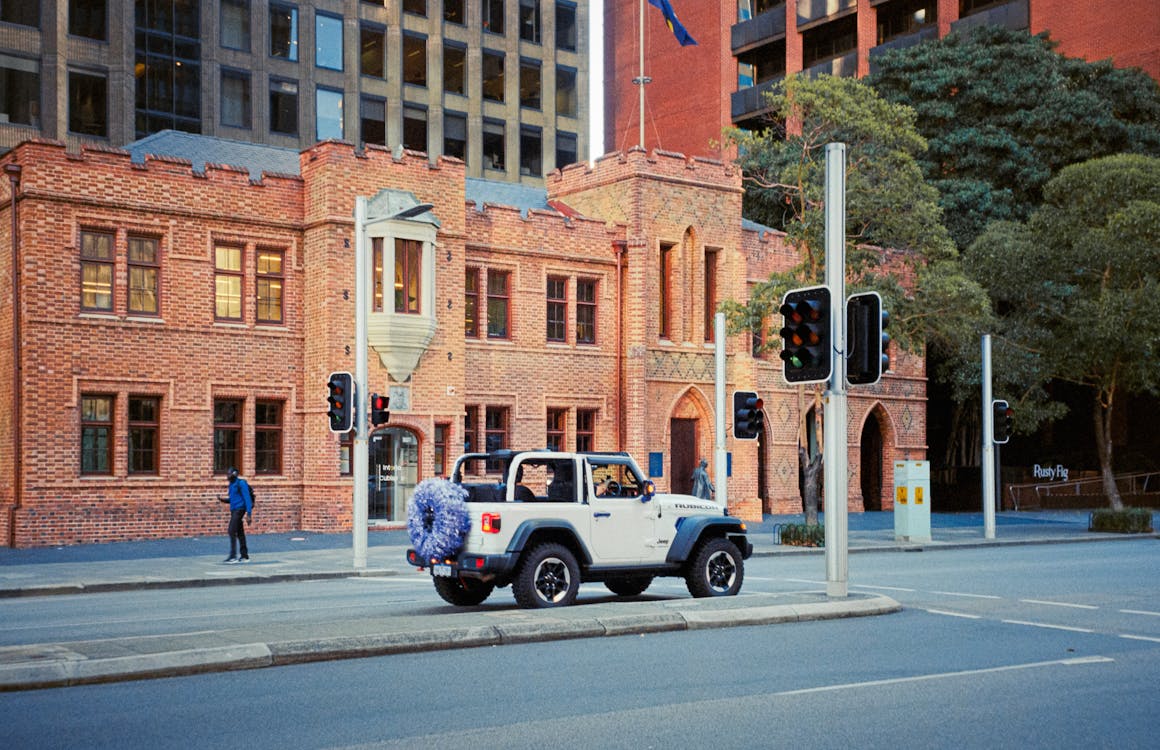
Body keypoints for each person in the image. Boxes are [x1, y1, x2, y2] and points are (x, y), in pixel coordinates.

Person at [219, 467, 253, 563]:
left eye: (229, 474)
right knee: (240, 532)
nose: (227, 476)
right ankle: (244, 556)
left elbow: (247, 498)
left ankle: (233, 556)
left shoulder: (241, 483)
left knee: (231, 531)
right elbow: (233, 499)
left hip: (240, 510)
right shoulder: (231, 484)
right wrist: (224, 500)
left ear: (234, 474)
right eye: (227, 474)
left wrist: (249, 514)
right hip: (234, 510)